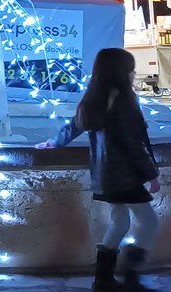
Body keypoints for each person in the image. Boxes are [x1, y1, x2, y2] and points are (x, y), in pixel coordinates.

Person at [37, 48, 160, 291]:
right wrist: (151, 174)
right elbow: (133, 142)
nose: (134, 73)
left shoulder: (94, 97)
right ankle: (130, 275)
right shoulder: (124, 99)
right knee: (149, 222)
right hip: (125, 175)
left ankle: (103, 279)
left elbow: (75, 125)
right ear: (121, 71)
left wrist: (55, 142)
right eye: (130, 68)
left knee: (120, 222)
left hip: (105, 175)